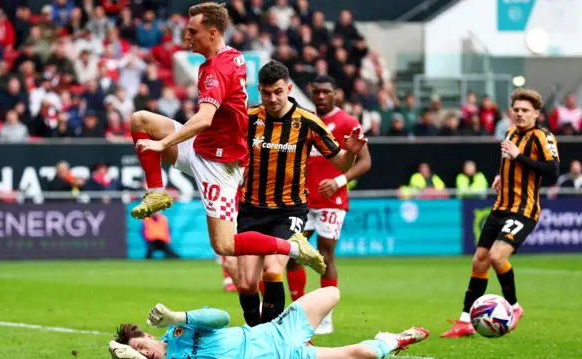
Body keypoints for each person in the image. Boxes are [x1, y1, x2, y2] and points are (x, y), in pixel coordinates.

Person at [127, 2, 324, 271]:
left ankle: (292, 246)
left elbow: (205, 118)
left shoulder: (216, 68)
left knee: (224, 245)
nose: (187, 37)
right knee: (140, 120)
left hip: (218, 166)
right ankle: (156, 193)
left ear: (212, 32)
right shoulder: (232, 56)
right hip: (201, 147)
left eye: (192, 31)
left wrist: (162, 144)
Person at [225, 62, 368, 328]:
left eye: (278, 91)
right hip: (251, 210)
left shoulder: (308, 122)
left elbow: (340, 163)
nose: (272, 98)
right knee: (245, 283)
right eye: (266, 93)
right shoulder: (248, 118)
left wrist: (350, 152)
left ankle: (270, 338)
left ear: (289, 88)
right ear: (260, 90)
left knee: (273, 270)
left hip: (288, 211)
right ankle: (258, 333)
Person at [441, 89, 560, 338]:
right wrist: (501, 176)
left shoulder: (542, 136)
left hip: (523, 210)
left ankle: (514, 308)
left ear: (536, 113)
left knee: (497, 256)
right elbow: (508, 162)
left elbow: (552, 171)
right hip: (499, 208)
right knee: (479, 261)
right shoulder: (509, 133)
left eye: (525, 110)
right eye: (516, 109)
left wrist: (520, 156)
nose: (519, 114)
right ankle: (465, 322)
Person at [108, 287, 430, 359]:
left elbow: (221, 318)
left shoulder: (177, 331)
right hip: (284, 357)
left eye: (140, 346)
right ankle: (393, 338)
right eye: (137, 355)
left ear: (148, 335)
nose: (144, 353)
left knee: (332, 293)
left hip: (275, 331)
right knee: (367, 355)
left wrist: (178, 316)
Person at [285, 75, 372, 335]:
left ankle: (325, 317)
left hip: (332, 200)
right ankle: (297, 312)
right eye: (316, 92)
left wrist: (339, 180)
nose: (320, 96)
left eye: (326, 92)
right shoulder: (304, 119)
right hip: (301, 199)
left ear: (336, 94)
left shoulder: (347, 122)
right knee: (291, 253)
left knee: (325, 255)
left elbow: (365, 162)